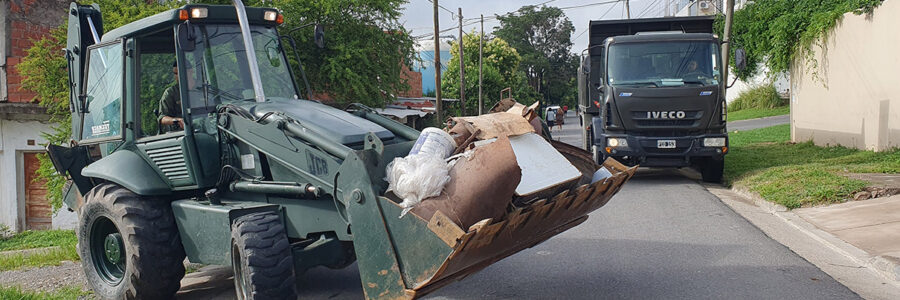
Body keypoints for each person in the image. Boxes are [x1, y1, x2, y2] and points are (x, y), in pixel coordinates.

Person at [158, 61, 191, 133]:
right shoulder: (171, 93)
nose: (177, 76)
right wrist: (177, 121)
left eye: (179, 73)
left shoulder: (204, 90)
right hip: (183, 133)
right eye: (175, 73)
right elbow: (162, 118)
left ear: (190, 71)